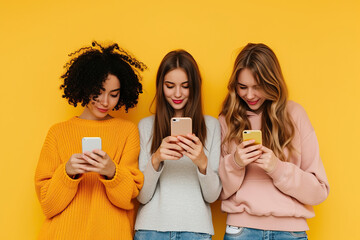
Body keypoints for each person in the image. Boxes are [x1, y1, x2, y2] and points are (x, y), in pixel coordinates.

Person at [35, 41, 146, 240]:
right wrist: (67, 172)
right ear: (85, 88)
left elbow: (128, 198)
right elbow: (48, 206)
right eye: (98, 93)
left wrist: (112, 172)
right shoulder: (58, 133)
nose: (105, 102)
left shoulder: (127, 131)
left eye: (114, 94)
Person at [218, 43, 329, 240]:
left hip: (290, 232)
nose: (249, 95)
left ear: (272, 83)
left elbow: (319, 192)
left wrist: (278, 169)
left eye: (257, 87)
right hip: (241, 230)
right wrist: (235, 163)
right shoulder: (227, 120)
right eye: (242, 87)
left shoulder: (295, 115)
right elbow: (217, 191)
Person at [134, 50, 222, 240]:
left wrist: (202, 163)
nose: (177, 94)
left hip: (197, 230)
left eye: (185, 86)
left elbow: (212, 196)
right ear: (161, 86)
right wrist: (156, 159)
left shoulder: (211, 126)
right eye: (170, 85)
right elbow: (142, 196)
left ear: (195, 87)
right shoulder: (146, 126)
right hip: (151, 229)